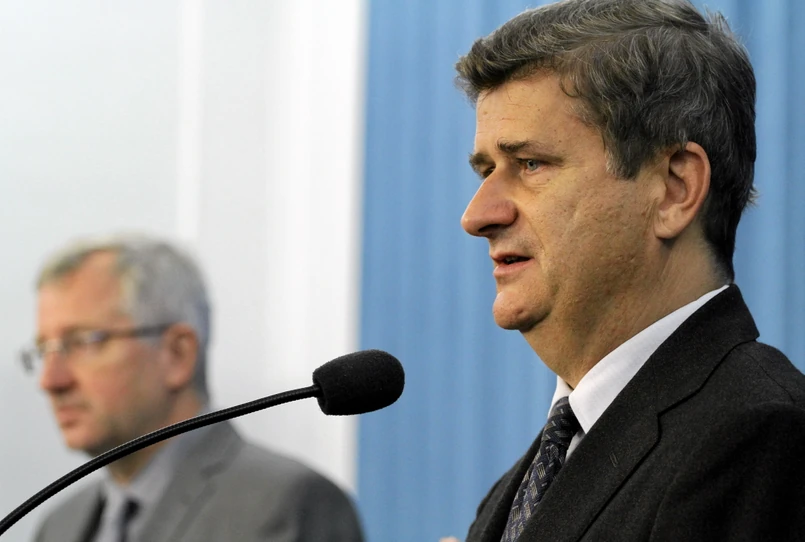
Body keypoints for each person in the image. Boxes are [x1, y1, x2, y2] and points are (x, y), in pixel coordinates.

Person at [446, 0, 805, 540]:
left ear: (675, 189)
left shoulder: (759, 439)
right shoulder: (516, 490)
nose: (477, 216)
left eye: (530, 164)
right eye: (486, 171)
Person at [23, 234, 364, 542]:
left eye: (83, 342)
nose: (51, 381)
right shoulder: (58, 526)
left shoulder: (285, 505)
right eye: (44, 350)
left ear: (177, 354)